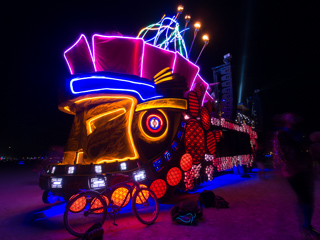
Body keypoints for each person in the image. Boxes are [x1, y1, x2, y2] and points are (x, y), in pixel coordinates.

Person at [272, 113, 320, 239]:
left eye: (294, 117)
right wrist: (285, 166)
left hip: (305, 168)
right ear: (286, 121)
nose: (294, 119)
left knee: (306, 197)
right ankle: (306, 226)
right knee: (305, 197)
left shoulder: (298, 134)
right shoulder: (282, 134)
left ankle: (305, 225)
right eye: (290, 117)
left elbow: (304, 150)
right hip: (294, 169)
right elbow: (280, 152)